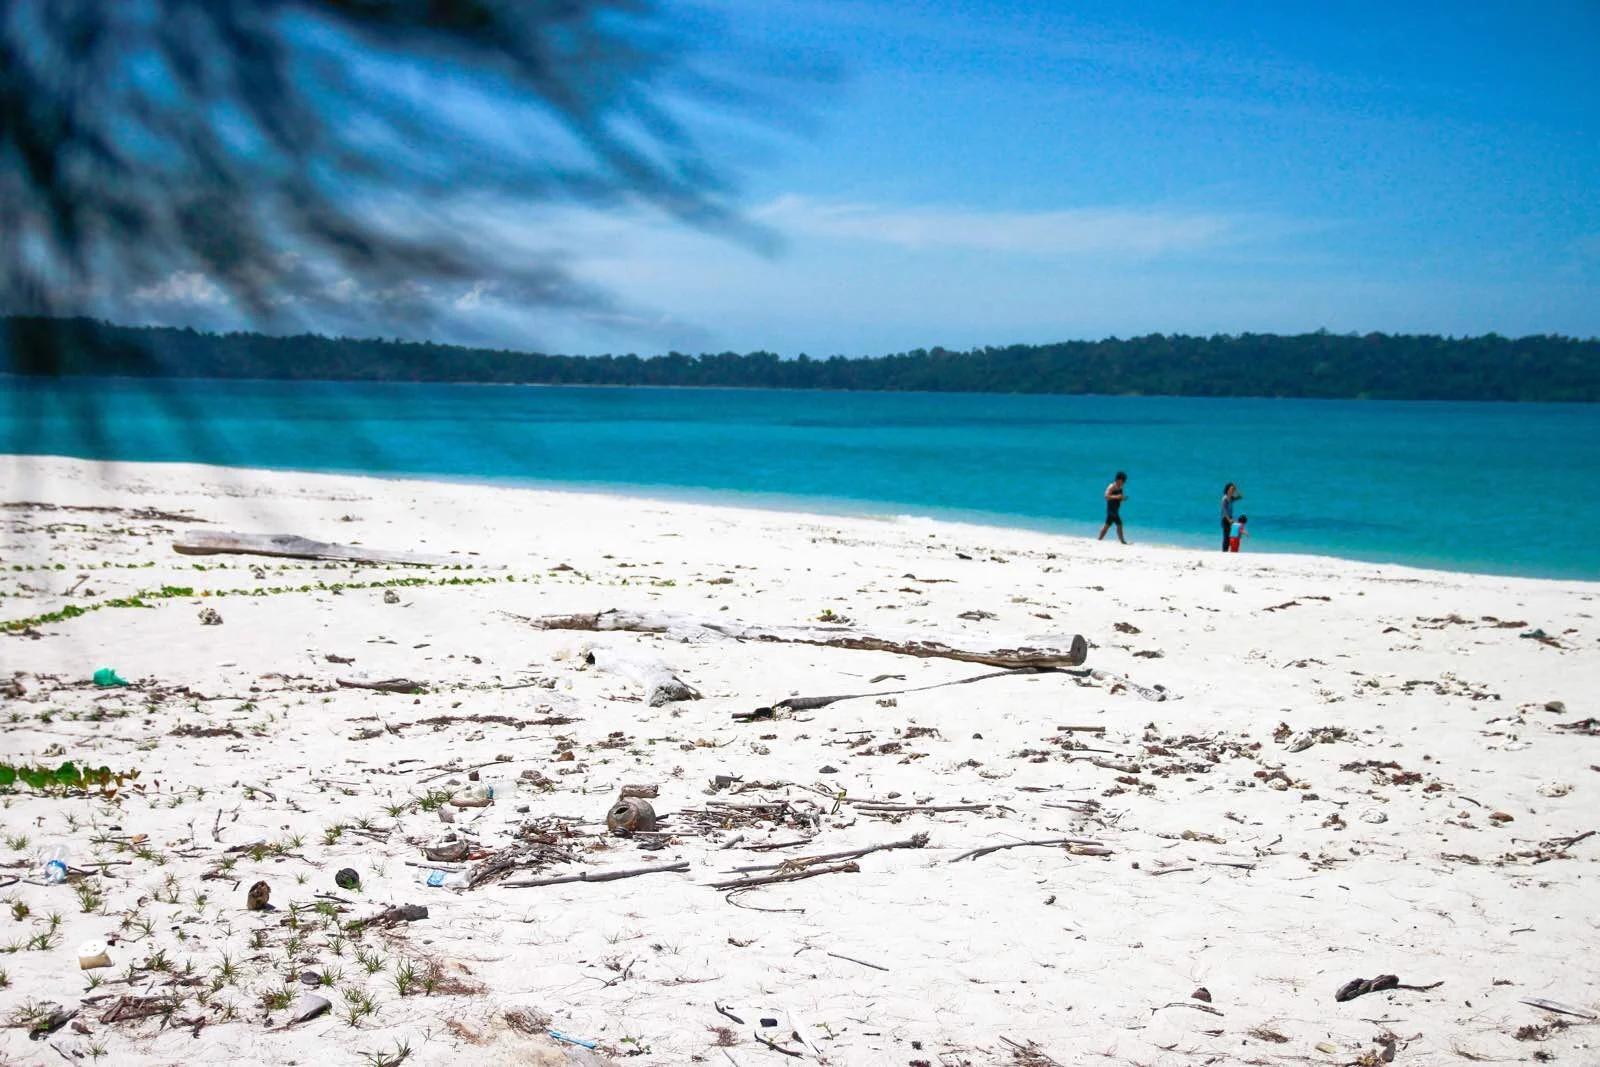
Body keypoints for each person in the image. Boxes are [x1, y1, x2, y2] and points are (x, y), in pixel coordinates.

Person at [1097, 471, 1128, 543]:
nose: (1123, 482)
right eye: (1123, 481)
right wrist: (1117, 496)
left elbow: (1119, 498)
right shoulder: (1112, 486)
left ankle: (1099, 539)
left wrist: (1123, 498)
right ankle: (1122, 541)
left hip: (1116, 509)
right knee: (1119, 524)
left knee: (1107, 526)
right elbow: (1106, 496)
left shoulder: (1120, 487)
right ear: (1118, 479)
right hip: (1111, 510)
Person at [1220, 483, 1243, 551]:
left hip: (1230, 518)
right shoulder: (1225, 498)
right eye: (1231, 489)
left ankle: (1228, 550)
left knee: (1230, 535)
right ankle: (1224, 551)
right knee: (1226, 536)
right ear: (1227, 489)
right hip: (1225, 518)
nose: (1232, 490)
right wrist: (1229, 519)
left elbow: (1241, 496)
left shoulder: (1231, 498)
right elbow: (1224, 510)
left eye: (1233, 489)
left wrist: (1236, 490)